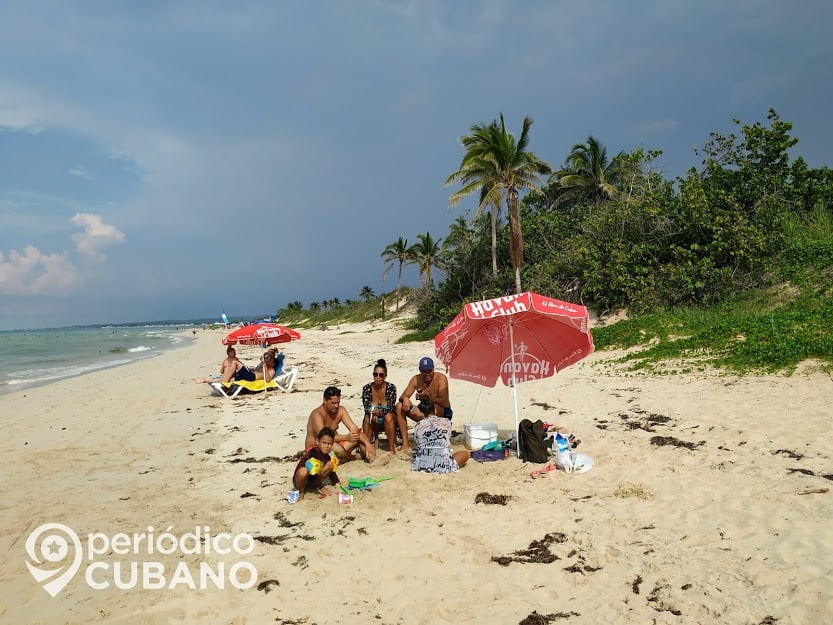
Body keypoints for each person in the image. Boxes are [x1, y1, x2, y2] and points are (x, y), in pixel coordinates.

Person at [305, 386, 376, 462]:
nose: (336, 406)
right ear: (325, 400)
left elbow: (354, 429)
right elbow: (324, 437)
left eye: (338, 403)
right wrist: (346, 437)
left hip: (337, 446)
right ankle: (353, 458)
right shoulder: (317, 415)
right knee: (335, 447)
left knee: (359, 438)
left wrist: (368, 444)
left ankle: (372, 458)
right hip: (317, 448)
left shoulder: (341, 411)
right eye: (333, 403)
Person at [395, 356, 453, 433]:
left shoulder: (441, 378)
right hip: (423, 413)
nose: (427, 374)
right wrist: (405, 398)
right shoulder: (416, 379)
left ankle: (434, 434)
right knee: (399, 406)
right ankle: (405, 443)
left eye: (429, 371)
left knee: (433, 407)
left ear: (433, 369)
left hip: (441, 412)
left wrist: (427, 398)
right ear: (420, 370)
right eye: (424, 371)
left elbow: (444, 402)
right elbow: (403, 396)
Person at [411, 399, 469, 473]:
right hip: (443, 465)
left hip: (422, 465)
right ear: (435, 410)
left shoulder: (417, 425)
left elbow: (420, 444)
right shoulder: (447, 422)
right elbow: (446, 439)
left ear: (421, 413)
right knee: (466, 454)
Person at [292, 427, 342, 500]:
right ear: (318, 442)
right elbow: (313, 470)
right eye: (324, 443)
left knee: (330, 464)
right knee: (304, 471)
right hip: (300, 480)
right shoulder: (313, 453)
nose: (326, 446)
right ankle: (301, 492)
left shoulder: (327, 456)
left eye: (329, 444)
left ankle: (314, 485)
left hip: (312, 481)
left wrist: (337, 482)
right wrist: (321, 487)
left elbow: (332, 472)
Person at [361, 359, 399, 453]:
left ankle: (391, 449)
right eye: (375, 374)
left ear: (385, 376)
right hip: (373, 418)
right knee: (367, 418)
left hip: (388, 418)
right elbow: (366, 407)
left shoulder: (391, 388)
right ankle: (367, 448)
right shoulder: (367, 388)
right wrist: (373, 414)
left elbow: (390, 406)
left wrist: (380, 413)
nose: (378, 377)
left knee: (388, 416)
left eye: (381, 375)